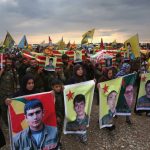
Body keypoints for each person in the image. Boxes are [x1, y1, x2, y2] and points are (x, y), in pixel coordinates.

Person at [51, 79, 65, 148]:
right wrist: (56, 116)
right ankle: (55, 144)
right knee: (57, 131)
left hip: (62, 115)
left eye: (59, 86)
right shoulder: (52, 96)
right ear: (52, 87)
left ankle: (58, 142)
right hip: (57, 117)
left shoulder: (62, 93)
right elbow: (52, 108)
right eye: (56, 87)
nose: (58, 88)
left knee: (60, 130)